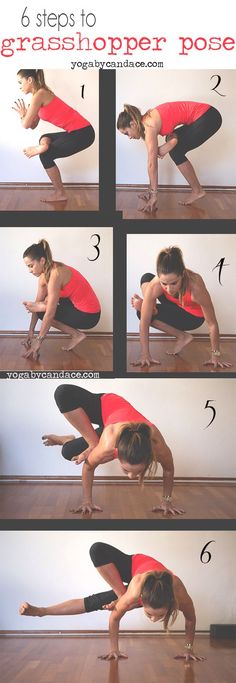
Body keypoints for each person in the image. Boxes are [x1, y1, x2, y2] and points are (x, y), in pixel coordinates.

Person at [19, 541, 205, 663]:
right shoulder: (136, 590)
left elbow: (190, 619)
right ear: (141, 601)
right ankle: (41, 611)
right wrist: (114, 649)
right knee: (97, 550)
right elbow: (115, 619)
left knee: (104, 602)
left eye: (160, 616)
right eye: (149, 614)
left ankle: (119, 599)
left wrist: (188, 648)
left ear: (171, 603)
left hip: (139, 588)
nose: (153, 620)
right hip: (134, 567)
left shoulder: (178, 592)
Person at [42, 384, 184, 515]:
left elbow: (169, 469)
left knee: (67, 452)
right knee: (63, 393)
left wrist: (166, 501)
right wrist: (87, 501)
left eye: (138, 471)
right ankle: (92, 444)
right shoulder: (108, 445)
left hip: (114, 426)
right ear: (117, 453)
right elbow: (88, 467)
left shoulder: (158, 446)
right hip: (107, 406)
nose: (131, 477)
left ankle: (66, 440)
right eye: (127, 470)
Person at [131, 246, 232, 369]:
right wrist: (145, 355)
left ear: (182, 274)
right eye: (164, 283)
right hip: (176, 305)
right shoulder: (155, 284)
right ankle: (151, 307)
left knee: (144, 310)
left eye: (174, 283)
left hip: (192, 317)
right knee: (146, 280)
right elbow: (144, 322)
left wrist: (216, 355)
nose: (169, 289)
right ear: (159, 276)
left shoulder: (196, 288)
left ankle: (153, 309)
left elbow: (212, 324)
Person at [117, 101, 222, 212]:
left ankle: (198, 191)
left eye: (126, 133)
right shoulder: (148, 121)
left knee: (176, 151)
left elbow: (152, 164)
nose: (128, 137)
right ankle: (173, 141)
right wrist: (150, 190)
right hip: (207, 115)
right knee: (171, 139)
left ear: (133, 124)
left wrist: (154, 195)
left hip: (208, 117)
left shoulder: (149, 126)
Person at [12, 69, 95, 202]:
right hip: (79, 131)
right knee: (45, 136)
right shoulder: (38, 96)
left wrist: (23, 115)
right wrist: (26, 115)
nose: (20, 86)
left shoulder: (39, 95)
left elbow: (25, 124)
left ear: (30, 80)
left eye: (20, 82)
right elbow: (33, 126)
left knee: (46, 156)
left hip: (83, 133)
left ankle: (60, 193)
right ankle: (44, 145)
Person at [22, 239, 101, 360]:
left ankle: (76, 334)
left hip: (90, 315)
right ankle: (77, 335)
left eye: (31, 266)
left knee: (44, 309)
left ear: (42, 260)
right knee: (41, 306)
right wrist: (30, 331)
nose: (30, 270)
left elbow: (49, 313)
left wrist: (38, 341)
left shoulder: (56, 273)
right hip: (76, 307)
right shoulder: (43, 277)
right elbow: (36, 304)